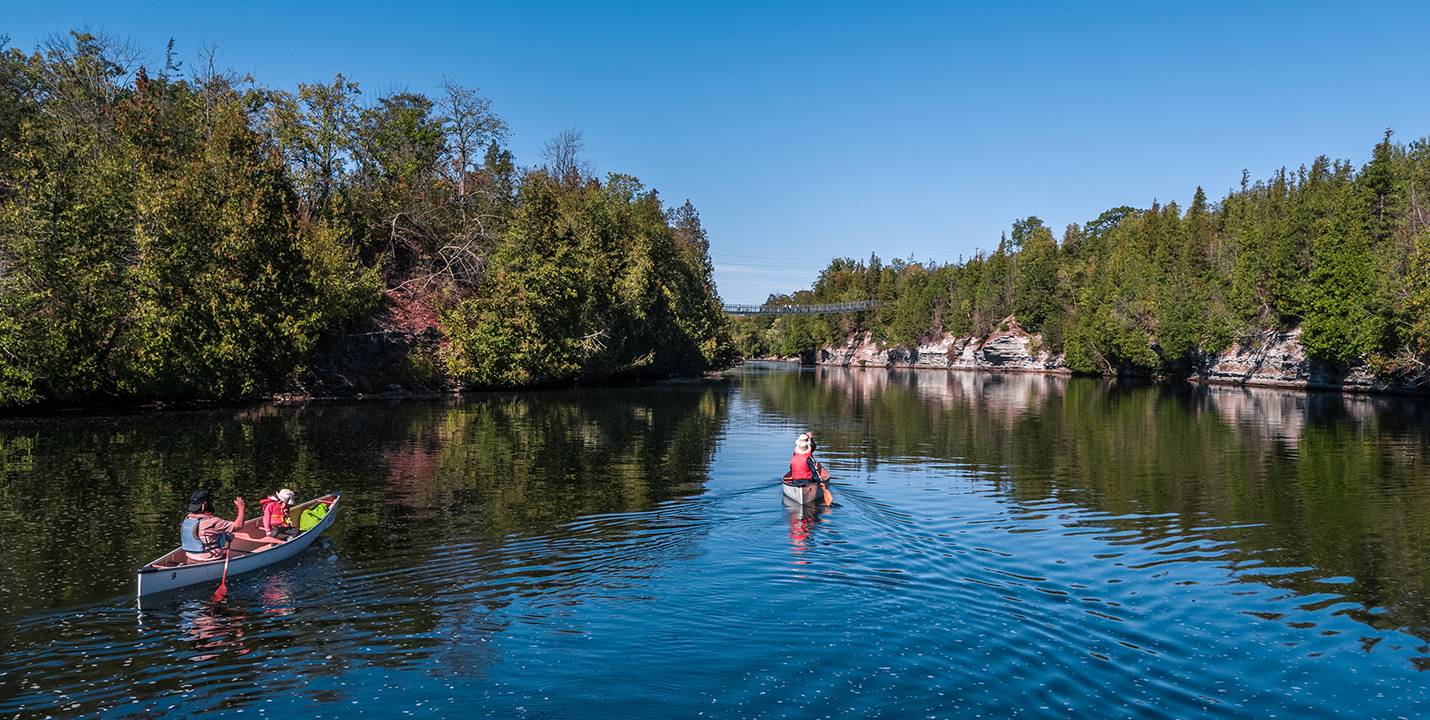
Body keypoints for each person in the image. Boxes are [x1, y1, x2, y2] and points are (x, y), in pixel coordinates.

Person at [181, 489, 245, 563]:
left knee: (225, 535)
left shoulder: (188, 518)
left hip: (190, 557)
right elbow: (238, 526)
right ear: (204, 504)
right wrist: (241, 508)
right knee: (229, 536)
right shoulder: (213, 521)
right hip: (207, 559)